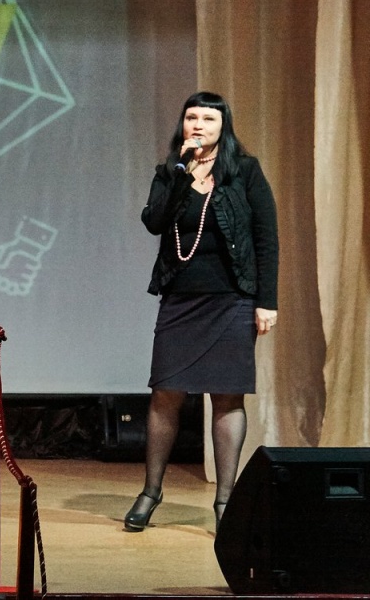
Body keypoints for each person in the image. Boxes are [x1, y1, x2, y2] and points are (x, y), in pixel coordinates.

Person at [125, 91, 279, 534]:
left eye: (208, 119)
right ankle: (151, 492)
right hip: (181, 299)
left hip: (232, 299)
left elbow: (266, 238)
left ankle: (225, 501)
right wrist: (180, 173)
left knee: (227, 397)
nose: (198, 125)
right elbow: (154, 221)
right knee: (165, 393)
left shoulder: (244, 171)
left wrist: (266, 301)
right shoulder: (169, 172)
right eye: (191, 117)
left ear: (222, 127)